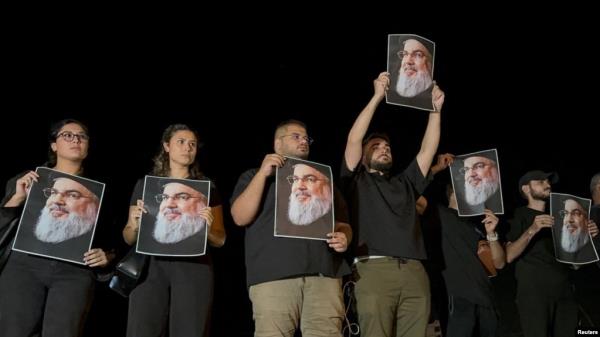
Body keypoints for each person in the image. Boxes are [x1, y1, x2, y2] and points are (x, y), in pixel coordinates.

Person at [340, 71, 444, 337]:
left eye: (387, 146)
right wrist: (376, 97)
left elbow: (427, 150)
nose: (384, 148)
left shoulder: (405, 183)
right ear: (363, 157)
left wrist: (435, 110)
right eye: (375, 146)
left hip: (414, 271)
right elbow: (353, 139)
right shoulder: (356, 180)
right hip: (373, 271)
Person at [230, 119, 352, 337]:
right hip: (274, 277)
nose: (304, 141)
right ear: (278, 144)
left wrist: (345, 237)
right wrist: (262, 174)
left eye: (306, 138)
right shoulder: (254, 176)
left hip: (324, 275)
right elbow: (239, 217)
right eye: (296, 136)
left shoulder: (324, 179)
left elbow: (343, 223)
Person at [0, 119, 113, 337]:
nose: (75, 140)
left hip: (74, 273)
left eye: (82, 136)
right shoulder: (27, 180)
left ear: (88, 146)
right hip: (23, 268)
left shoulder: (101, 192)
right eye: (67, 135)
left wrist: (107, 255)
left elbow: (112, 237)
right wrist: (17, 197)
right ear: (54, 145)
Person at [122, 124, 225, 337]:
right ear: (166, 146)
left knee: (190, 330)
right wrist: (135, 224)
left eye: (192, 144)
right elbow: (128, 237)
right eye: (181, 142)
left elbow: (220, 239)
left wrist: (206, 229)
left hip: (194, 267)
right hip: (151, 266)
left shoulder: (207, 188)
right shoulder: (146, 185)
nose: (187, 147)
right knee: (141, 328)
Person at [506, 170, 596, 337]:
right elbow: (509, 255)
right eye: (540, 181)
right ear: (526, 189)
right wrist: (532, 229)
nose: (547, 184)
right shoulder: (520, 215)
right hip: (535, 293)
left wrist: (589, 237)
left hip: (564, 292)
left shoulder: (561, 218)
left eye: (548, 181)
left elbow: (576, 264)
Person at [12, 175, 102, 263]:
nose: (56, 200)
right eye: (53, 193)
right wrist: (17, 198)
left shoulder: (98, 242)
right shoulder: (26, 234)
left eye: (73, 195)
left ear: (96, 205)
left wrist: (104, 264)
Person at [276, 162, 335, 239]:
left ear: (327, 185)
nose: (299, 186)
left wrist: (343, 238)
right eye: (295, 179)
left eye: (310, 179)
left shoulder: (333, 206)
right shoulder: (280, 214)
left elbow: (343, 227)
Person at [387, 35, 435, 110]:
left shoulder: (434, 99)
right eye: (405, 54)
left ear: (431, 63)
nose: (408, 61)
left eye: (418, 55)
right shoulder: (389, 92)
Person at [556, 198, 598, 263]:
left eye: (576, 213)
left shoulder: (594, 242)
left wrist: (596, 239)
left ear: (587, 220)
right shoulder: (555, 245)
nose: (569, 220)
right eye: (565, 213)